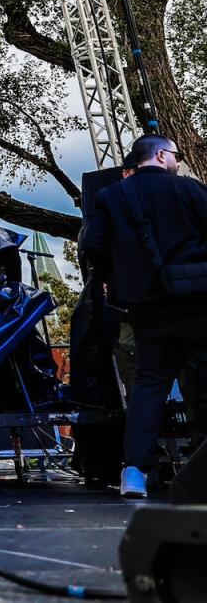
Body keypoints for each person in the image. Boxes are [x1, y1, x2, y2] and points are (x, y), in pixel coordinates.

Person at [81, 134, 207, 499]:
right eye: (176, 156)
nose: (177, 162)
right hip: (198, 302)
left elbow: (94, 246)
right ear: (162, 155)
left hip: (147, 306)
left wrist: (112, 281)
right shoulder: (190, 190)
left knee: (149, 386)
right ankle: (198, 468)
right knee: (202, 384)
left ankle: (136, 470)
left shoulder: (112, 197)